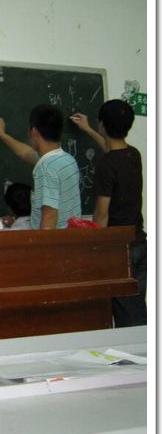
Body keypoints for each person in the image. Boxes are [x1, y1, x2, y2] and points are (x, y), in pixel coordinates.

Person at [70, 100, 146, 326]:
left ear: (102, 124)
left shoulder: (106, 164)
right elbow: (112, 152)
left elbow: (101, 214)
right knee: (135, 308)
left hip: (117, 249)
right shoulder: (133, 155)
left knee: (122, 313)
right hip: (138, 242)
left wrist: (96, 247)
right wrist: (88, 129)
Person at [0, 104, 81, 229]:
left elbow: (49, 216)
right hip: (71, 236)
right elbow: (27, 153)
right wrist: (2, 135)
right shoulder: (67, 160)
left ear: (33, 132)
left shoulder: (45, 168)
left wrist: (42, 242)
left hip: (54, 239)